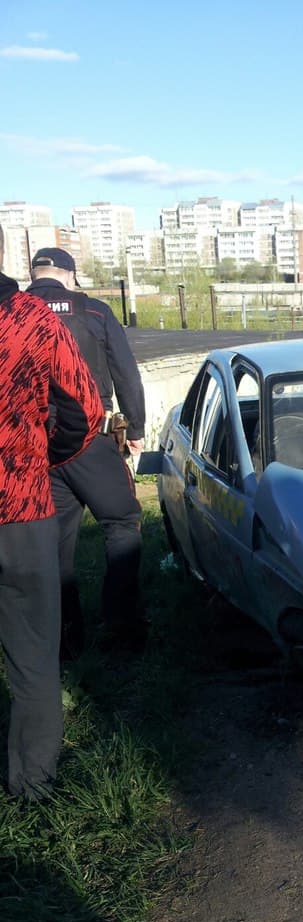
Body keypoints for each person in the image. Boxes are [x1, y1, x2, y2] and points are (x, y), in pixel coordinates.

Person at [0, 226, 102, 798]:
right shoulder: (34, 321)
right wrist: (42, 457)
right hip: (23, 506)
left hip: (25, 501)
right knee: (34, 658)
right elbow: (85, 409)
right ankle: (32, 785)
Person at [27, 247, 147, 653]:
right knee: (122, 522)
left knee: (55, 539)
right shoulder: (94, 311)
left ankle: (65, 637)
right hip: (89, 440)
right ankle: (121, 628)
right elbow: (125, 372)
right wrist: (136, 427)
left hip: (35, 447)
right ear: (70, 277)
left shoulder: (12, 314)